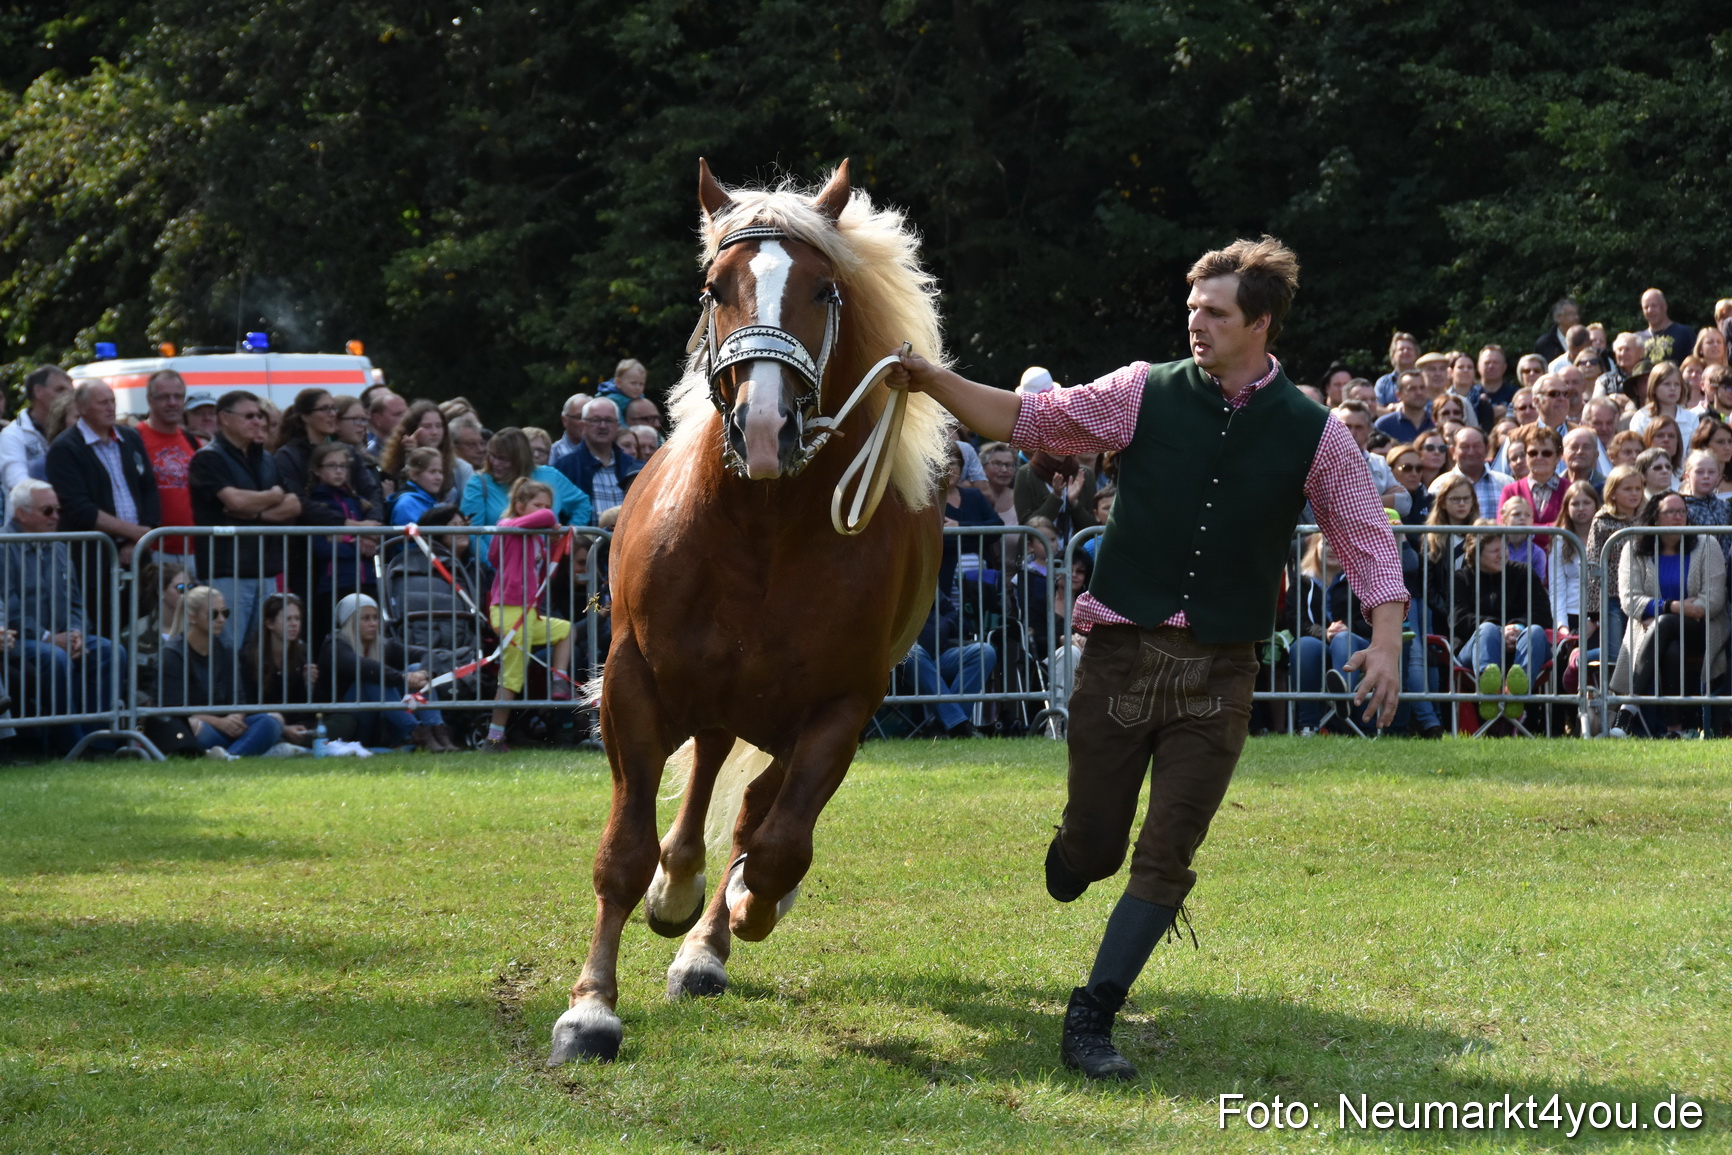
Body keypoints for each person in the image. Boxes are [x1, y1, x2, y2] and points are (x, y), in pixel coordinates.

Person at [887, 236, 1405, 1080]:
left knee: (1167, 853)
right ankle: (1077, 853)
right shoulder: (1140, 390)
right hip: (1121, 658)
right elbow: (1028, 419)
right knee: (1090, 852)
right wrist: (930, 377)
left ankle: (1093, 1015)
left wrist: (1386, 643)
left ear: (1261, 324)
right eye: (1193, 309)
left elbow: (1367, 541)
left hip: (1222, 671)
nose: (1195, 323)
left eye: (1216, 312)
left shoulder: (1315, 433)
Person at [1, 479, 126, 750]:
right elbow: (9, 610)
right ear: (21, 513)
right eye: (47, 511)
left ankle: (100, 744)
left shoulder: (58, 545)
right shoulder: (3, 545)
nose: (56, 517)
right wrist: (49, 637)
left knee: (110, 651)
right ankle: (71, 745)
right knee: (54, 658)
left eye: (58, 510)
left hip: (60, 636)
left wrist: (76, 631)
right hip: (20, 640)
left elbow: (75, 601)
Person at [44, 380, 161, 638]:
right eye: (103, 403)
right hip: (92, 558)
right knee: (101, 627)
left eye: (113, 402)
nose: (111, 408)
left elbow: (149, 489)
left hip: (136, 554)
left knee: (140, 627)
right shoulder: (65, 448)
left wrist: (137, 540)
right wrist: (138, 533)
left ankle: (137, 679)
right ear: (82, 408)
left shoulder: (130, 437)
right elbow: (78, 507)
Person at [189, 390, 301, 642]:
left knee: (260, 653)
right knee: (228, 648)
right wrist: (273, 496)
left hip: (266, 569)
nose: (258, 422)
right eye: (249, 416)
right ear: (225, 418)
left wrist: (255, 510)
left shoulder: (267, 459)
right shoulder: (208, 458)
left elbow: (293, 503)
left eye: (260, 416)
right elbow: (235, 501)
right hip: (227, 571)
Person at [1614, 492, 1728, 736]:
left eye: (1682, 511)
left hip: (1702, 627)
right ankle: (1676, 729)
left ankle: (1629, 706)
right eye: (1671, 512)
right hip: (1650, 631)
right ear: (1655, 517)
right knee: (1672, 647)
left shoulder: (1707, 544)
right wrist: (1674, 606)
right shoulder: (1633, 547)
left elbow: (1713, 601)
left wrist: (1659, 609)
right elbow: (1629, 599)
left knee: (1664, 623)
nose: (1678, 517)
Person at [482, 479, 576, 752]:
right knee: (512, 676)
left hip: (529, 613)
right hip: (510, 610)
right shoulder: (509, 529)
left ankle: (558, 678)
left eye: (547, 505)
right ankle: (493, 737)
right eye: (538, 505)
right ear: (520, 506)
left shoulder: (535, 538)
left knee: (565, 630)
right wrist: (548, 518)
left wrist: (553, 544)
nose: (545, 511)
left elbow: (544, 573)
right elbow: (503, 540)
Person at [159, 585, 288, 758]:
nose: (221, 619)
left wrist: (236, 716)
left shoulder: (225, 650)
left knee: (273, 720)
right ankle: (248, 751)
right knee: (194, 725)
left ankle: (228, 756)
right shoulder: (174, 653)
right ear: (192, 617)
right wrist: (219, 722)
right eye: (213, 614)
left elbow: (239, 699)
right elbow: (174, 710)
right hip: (199, 726)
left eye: (224, 613)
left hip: (227, 727)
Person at [316, 592, 451, 752]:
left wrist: (423, 673)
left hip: (384, 722)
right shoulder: (334, 646)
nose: (373, 623)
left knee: (415, 668)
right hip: (355, 724)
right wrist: (403, 678)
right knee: (372, 677)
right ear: (350, 622)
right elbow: (365, 668)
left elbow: (427, 654)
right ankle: (417, 733)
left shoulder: (384, 644)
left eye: (375, 617)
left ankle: (437, 730)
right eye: (365, 618)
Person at [1451, 525, 1551, 725]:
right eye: (1495, 551)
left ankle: (1516, 693)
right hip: (1477, 649)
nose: (1502, 554)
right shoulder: (1461, 579)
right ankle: (1491, 692)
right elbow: (1458, 619)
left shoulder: (1523, 573)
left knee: (1536, 632)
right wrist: (1498, 631)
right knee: (1487, 630)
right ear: (1476, 554)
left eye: (1503, 548)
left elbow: (1543, 614)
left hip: (1520, 647)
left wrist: (1517, 628)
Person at [134, 369, 204, 577]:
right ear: (150, 400)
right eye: (164, 397)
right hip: (154, 549)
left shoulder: (193, 441)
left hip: (193, 549)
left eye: (178, 396)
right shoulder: (134, 438)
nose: (172, 402)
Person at [465, 427, 592, 531]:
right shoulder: (479, 483)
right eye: (492, 456)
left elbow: (582, 504)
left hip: (547, 560)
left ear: (520, 459)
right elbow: (473, 533)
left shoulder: (551, 476)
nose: (495, 463)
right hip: (496, 560)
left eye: (503, 459)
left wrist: (569, 535)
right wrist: (492, 562)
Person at [1584, 464, 1644, 674]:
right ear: (1613, 493)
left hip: (1642, 594)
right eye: (1628, 489)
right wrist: (1593, 610)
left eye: (1638, 488)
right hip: (1612, 597)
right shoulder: (1602, 521)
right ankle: (1579, 659)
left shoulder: (1648, 519)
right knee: (1615, 654)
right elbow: (1593, 563)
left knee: (1640, 652)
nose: (1635, 493)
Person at [0, 365, 71, 521]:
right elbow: (18, 485)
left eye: (70, 391)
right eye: (60, 390)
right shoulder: (13, 435)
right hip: (27, 533)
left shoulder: (72, 433)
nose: (68, 396)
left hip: (63, 527)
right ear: (38, 391)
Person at [550, 399, 641, 516]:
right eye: (595, 420)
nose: (602, 426)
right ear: (582, 425)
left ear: (617, 426)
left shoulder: (635, 468)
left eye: (609, 420)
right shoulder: (564, 468)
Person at [382, 400, 466, 501]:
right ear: (412, 429)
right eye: (427, 426)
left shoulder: (459, 467)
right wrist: (412, 456)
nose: (434, 432)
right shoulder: (396, 464)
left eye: (439, 426)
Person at [1548, 481, 1599, 643]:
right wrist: (1562, 626)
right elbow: (1557, 588)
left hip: (1599, 617)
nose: (1581, 508)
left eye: (1586, 503)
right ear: (1567, 508)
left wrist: (1595, 621)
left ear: (1596, 505)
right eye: (1575, 503)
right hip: (1569, 614)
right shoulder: (1560, 540)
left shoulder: (1605, 538)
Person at [1499, 423, 1566, 539]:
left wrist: (1525, 528)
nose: (1539, 457)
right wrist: (1552, 528)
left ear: (1558, 457)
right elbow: (1503, 526)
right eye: (1533, 453)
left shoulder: (1569, 490)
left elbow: (1569, 527)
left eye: (1546, 453)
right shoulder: (1510, 490)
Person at [1449, 425, 1512, 521]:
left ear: (1487, 449)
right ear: (1453, 452)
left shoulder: (1506, 483)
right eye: (1464, 447)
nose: (1471, 452)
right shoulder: (1440, 486)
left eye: (1476, 446)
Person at [1629, 362, 1699, 450]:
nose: (1673, 388)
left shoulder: (1691, 418)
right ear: (1653, 387)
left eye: (1677, 384)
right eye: (1667, 384)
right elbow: (1637, 450)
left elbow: (1693, 452)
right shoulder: (1641, 417)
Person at [387, 447, 447, 525]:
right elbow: (413, 537)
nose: (439, 477)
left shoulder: (431, 501)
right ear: (414, 474)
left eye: (440, 472)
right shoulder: (407, 504)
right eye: (432, 472)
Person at [1636, 289, 1695, 365]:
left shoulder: (1684, 333)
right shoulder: (1637, 339)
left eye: (1654, 306)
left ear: (1664, 306)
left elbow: (1695, 363)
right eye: (1646, 307)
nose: (1650, 310)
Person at [1374, 370, 1432, 443]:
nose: (1419, 392)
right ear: (1399, 395)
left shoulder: (1435, 423)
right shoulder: (1384, 426)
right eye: (1412, 389)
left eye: (1422, 388)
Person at [976, 441, 1021, 525]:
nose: (1004, 470)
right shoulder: (972, 496)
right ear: (983, 465)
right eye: (997, 464)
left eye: (1009, 465)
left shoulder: (1020, 498)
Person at [547, 393, 595, 466]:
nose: (584, 423)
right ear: (565, 421)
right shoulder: (553, 454)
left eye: (589, 418)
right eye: (579, 417)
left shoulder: (605, 452)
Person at [595, 358, 648, 423]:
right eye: (633, 383)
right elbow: (618, 424)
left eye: (641, 384)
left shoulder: (641, 397)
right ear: (618, 383)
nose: (638, 387)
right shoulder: (613, 401)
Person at [1373, 331, 1418, 408]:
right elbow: (1376, 408)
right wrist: (1393, 410)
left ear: (1417, 354)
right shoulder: (1383, 383)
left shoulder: (1425, 380)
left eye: (1409, 349)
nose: (1405, 351)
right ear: (1393, 355)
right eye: (1401, 349)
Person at [365, 389, 407, 455]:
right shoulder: (369, 455)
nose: (405, 419)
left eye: (407, 413)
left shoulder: (416, 446)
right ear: (377, 419)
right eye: (398, 414)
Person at [1535, 297, 1578, 362]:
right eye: (1571, 314)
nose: (1576, 317)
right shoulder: (1545, 343)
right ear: (1558, 317)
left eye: (1576, 314)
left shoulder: (1584, 338)